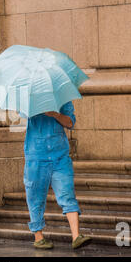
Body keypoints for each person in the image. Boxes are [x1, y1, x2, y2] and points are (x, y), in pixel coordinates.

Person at [24, 101, 92, 250]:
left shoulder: (62, 98)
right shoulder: (28, 98)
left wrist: (54, 113)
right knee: (35, 196)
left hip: (59, 156)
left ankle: (76, 236)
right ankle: (38, 237)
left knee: (67, 193)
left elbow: (70, 122)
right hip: (36, 156)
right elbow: (23, 113)